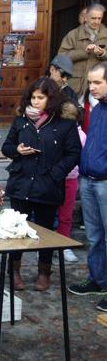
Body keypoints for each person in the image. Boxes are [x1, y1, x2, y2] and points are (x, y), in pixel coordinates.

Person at [1, 77, 81, 291]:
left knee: (46, 231)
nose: (35, 102)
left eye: (41, 97)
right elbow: (7, 146)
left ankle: (44, 272)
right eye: (33, 97)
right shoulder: (21, 120)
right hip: (22, 183)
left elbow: (73, 153)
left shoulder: (64, 123)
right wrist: (16, 150)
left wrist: (57, 173)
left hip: (48, 185)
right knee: (16, 229)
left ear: (51, 98)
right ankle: (14, 271)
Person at [68, 62, 107, 311]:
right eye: (90, 82)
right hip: (89, 179)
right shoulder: (99, 107)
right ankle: (98, 279)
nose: (91, 87)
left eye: (97, 83)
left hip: (105, 182)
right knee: (94, 236)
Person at [56, 104, 86, 263]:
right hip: (52, 179)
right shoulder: (54, 132)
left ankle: (63, 245)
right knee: (47, 213)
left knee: (66, 215)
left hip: (70, 179)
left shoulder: (81, 136)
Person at [58, 3, 107, 97]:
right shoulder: (73, 34)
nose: (97, 21)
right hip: (75, 86)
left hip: (100, 86)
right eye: (93, 18)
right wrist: (84, 52)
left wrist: (102, 53)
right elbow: (61, 57)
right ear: (86, 17)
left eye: (99, 18)